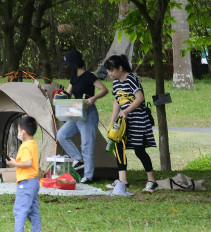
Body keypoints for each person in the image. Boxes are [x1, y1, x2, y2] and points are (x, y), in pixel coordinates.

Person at [104, 55, 157, 196]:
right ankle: (122, 181)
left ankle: (152, 181)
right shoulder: (116, 83)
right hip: (123, 121)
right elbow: (117, 101)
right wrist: (112, 120)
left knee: (139, 150)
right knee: (118, 146)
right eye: (108, 70)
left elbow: (140, 98)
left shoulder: (131, 79)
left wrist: (126, 110)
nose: (110, 73)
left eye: (111, 70)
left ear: (120, 68)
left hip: (138, 118)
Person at [55, 50, 108, 183]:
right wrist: (61, 98)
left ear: (74, 63)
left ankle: (88, 176)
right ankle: (79, 159)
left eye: (68, 64)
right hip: (76, 112)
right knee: (61, 135)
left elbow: (104, 89)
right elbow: (68, 94)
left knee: (86, 145)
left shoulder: (88, 76)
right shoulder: (73, 78)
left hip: (88, 113)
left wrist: (93, 99)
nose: (67, 67)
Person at [6, 116, 41, 232]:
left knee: (20, 208)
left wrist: (14, 164)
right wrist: (15, 161)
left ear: (24, 132)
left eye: (19, 130)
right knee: (33, 209)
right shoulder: (32, 144)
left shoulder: (25, 146)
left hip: (25, 182)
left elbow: (28, 163)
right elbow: (26, 161)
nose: (18, 133)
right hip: (34, 181)